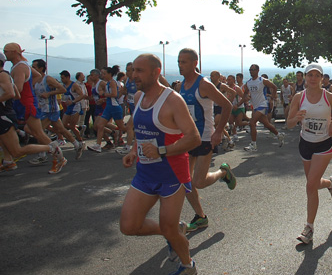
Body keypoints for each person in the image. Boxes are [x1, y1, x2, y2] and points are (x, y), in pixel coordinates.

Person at [119, 54, 201, 275]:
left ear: (156, 72)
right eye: (133, 70)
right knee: (129, 226)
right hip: (145, 174)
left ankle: (187, 266)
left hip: (172, 175)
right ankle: (174, 232)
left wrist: (161, 151)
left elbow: (193, 138)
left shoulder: (173, 101)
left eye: (139, 71)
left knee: (168, 227)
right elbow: (143, 130)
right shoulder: (138, 98)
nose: (134, 75)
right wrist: (134, 150)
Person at [176, 49, 235, 233]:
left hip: (205, 137)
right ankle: (201, 217)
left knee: (198, 182)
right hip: (188, 138)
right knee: (184, 181)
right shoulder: (181, 86)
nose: (180, 65)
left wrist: (218, 132)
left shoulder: (204, 84)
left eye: (184, 62)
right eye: (179, 61)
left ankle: (223, 172)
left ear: (195, 63)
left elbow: (227, 105)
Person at [286, 63, 332, 244]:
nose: (313, 78)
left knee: (310, 185)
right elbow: (288, 123)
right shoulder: (298, 97)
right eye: (309, 75)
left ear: (321, 78)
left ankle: (309, 227)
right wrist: (296, 118)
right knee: (314, 182)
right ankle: (330, 183)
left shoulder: (329, 97)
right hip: (306, 144)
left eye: (316, 75)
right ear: (305, 77)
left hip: (324, 144)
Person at [2, 43, 66, 173]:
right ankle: (8, 160)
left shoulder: (19, 67)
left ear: (14, 52)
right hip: (26, 101)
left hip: (25, 103)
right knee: (22, 131)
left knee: (38, 133)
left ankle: (59, 159)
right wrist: (29, 87)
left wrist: (21, 90)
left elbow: (17, 89)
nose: (5, 53)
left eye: (6, 51)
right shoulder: (23, 65)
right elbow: (37, 76)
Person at [31, 60, 84, 160]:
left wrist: (49, 94)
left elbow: (62, 90)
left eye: (34, 67)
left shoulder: (48, 79)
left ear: (41, 69)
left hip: (50, 109)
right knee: (61, 129)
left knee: (39, 131)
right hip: (43, 109)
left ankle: (42, 154)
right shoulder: (35, 80)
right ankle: (77, 144)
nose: (32, 69)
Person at [242, 64, 284, 152]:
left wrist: (273, 96)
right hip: (255, 106)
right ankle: (278, 134)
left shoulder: (262, 80)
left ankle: (253, 144)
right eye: (250, 69)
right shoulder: (249, 82)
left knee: (252, 122)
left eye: (253, 69)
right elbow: (245, 92)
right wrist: (246, 98)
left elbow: (274, 87)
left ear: (257, 70)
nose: (251, 71)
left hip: (262, 104)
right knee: (266, 124)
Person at [88, 66, 127, 152]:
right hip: (108, 107)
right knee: (99, 125)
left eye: (104, 74)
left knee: (122, 127)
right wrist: (103, 99)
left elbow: (114, 94)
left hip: (114, 107)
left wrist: (103, 94)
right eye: (102, 74)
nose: (102, 75)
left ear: (110, 74)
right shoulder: (108, 83)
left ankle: (136, 133)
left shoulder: (112, 82)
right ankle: (98, 145)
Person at [225, 74, 246, 148]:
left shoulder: (236, 88)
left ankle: (250, 123)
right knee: (231, 122)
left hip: (239, 108)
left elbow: (244, 97)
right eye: (227, 79)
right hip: (231, 108)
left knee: (239, 122)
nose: (228, 81)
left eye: (230, 79)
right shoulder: (226, 88)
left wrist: (238, 104)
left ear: (233, 80)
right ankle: (235, 135)